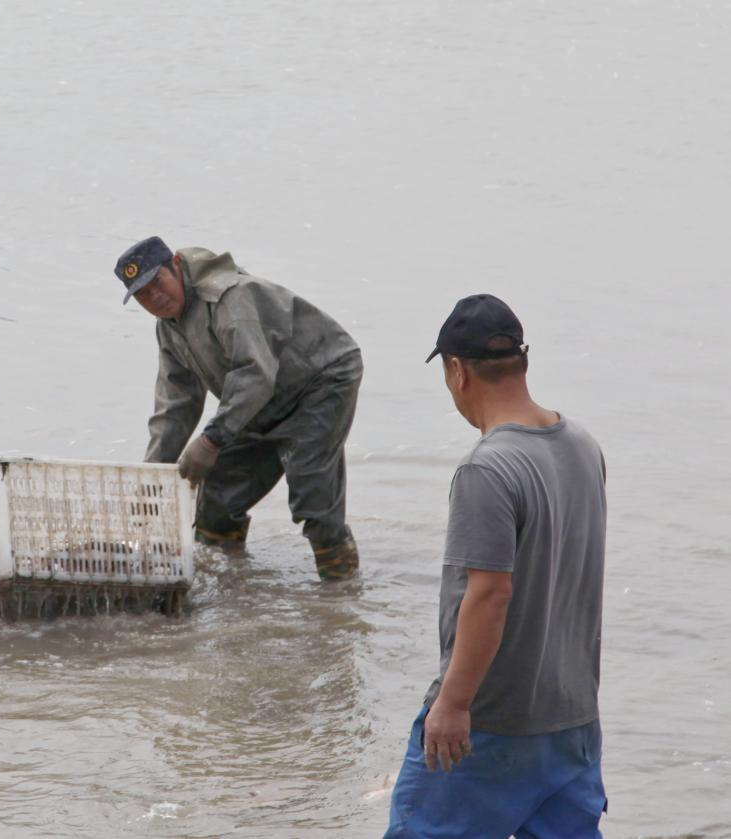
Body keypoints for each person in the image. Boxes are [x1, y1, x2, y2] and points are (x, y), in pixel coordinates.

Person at [385, 294, 608, 837]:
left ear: (457, 371)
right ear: (523, 362)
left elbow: (490, 594)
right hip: (572, 720)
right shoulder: (583, 445)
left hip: (491, 724)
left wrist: (454, 704)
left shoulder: (488, 469)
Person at [113, 236, 363, 581]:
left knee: (311, 490)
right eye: (142, 294)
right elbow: (175, 405)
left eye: (158, 282)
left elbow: (255, 375)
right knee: (216, 489)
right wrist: (153, 477)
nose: (154, 296)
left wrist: (212, 440)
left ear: (175, 264)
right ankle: (229, 582)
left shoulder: (229, 296)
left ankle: (341, 591)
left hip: (320, 380)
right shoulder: (169, 329)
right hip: (263, 399)